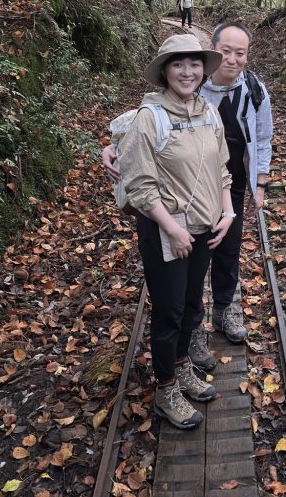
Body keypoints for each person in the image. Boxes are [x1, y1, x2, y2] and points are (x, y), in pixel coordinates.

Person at [105, 22, 273, 369]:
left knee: (227, 252)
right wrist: (114, 146)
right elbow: (147, 125)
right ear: (214, 49)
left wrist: (260, 181)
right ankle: (189, 337)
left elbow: (263, 135)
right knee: (182, 285)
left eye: (240, 52)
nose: (233, 58)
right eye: (225, 50)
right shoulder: (191, 87)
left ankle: (224, 311)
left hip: (227, 183)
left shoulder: (253, 90)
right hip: (180, 197)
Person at [116, 34, 236, 429]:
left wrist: (228, 212)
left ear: (204, 70)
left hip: (204, 227)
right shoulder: (150, 117)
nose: (188, 72)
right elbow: (139, 184)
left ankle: (183, 367)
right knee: (168, 312)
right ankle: (166, 388)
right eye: (178, 64)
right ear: (165, 71)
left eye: (194, 64)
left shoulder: (209, 112)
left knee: (189, 306)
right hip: (166, 229)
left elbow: (222, 167)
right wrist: (172, 229)